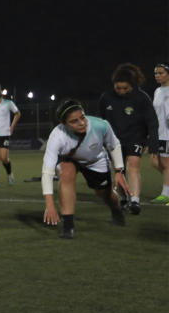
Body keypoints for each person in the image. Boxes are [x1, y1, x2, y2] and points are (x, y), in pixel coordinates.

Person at [41, 99, 129, 239]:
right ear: (64, 124)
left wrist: (119, 171)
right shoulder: (57, 136)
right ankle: (68, 226)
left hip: (95, 160)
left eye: (82, 117)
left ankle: (116, 209)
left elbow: (114, 145)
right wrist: (50, 204)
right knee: (66, 173)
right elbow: (47, 171)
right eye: (74, 121)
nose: (81, 123)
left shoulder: (100, 125)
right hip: (70, 159)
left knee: (104, 194)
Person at [97, 63, 159, 214]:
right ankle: (123, 199)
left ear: (132, 85)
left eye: (126, 88)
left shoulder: (141, 98)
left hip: (135, 136)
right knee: (119, 170)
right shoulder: (106, 98)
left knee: (133, 165)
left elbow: (152, 122)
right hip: (114, 140)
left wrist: (153, 144)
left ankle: (135, 201)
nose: (122, 91)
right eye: (118, 88)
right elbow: (102, 121)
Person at [151, 62, 169, 204]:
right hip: (157, 133)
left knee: (165, 163)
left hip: (167, 134)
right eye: (156, 73)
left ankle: (165, 194)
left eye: (161, 73)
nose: (157, 75)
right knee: (155, 162)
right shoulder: (158, 91)